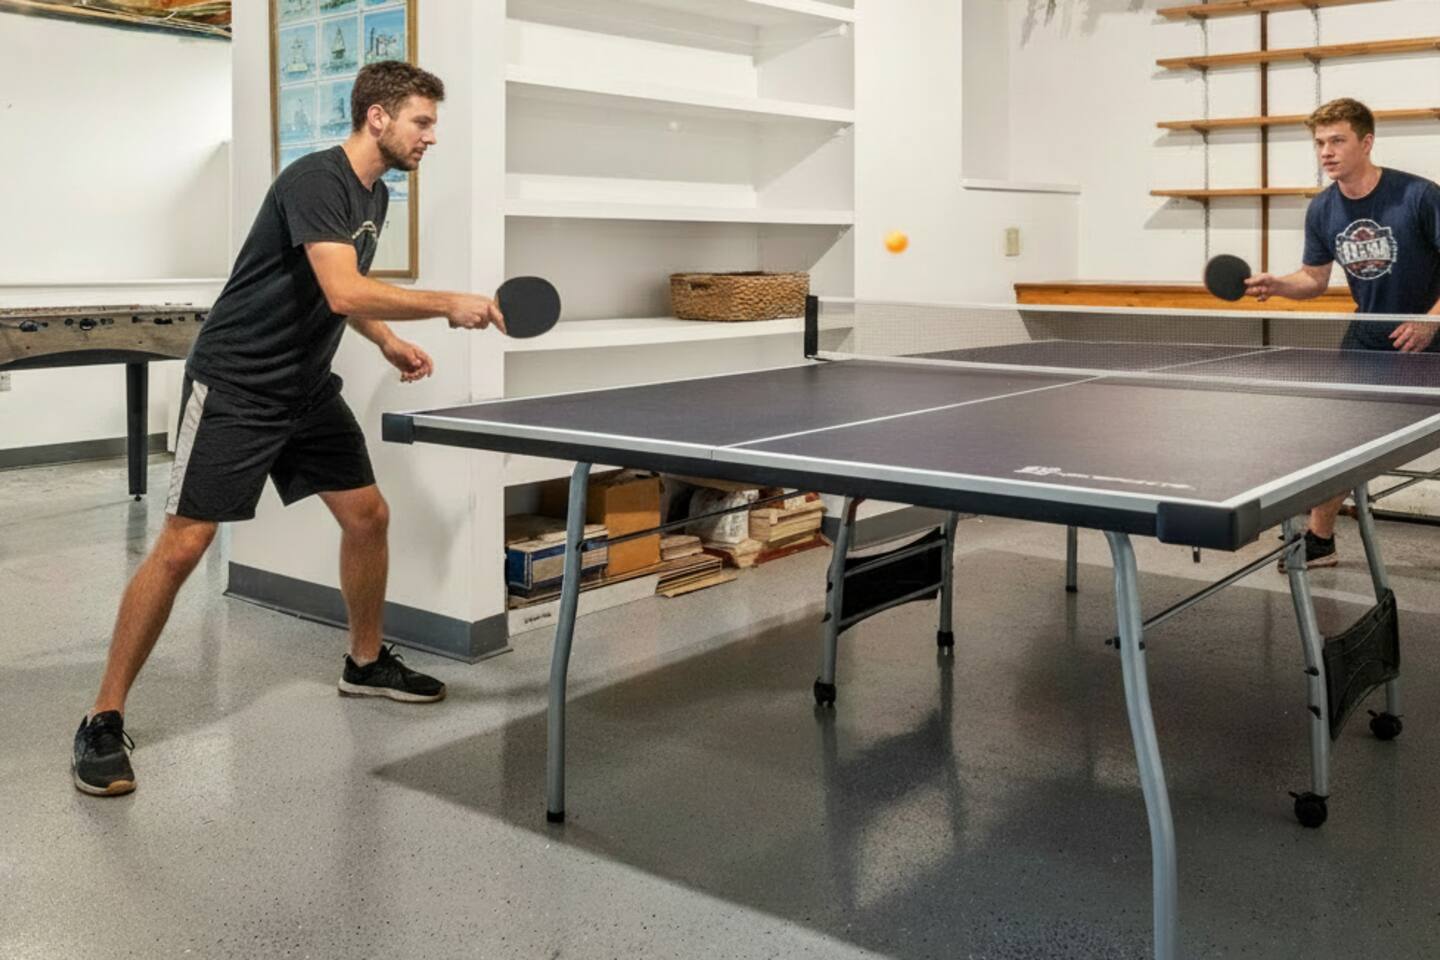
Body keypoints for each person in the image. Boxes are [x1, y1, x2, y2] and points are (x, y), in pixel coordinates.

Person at [72, 61, 505, 796]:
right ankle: (102, 717)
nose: (430, 136)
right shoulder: (315, 179)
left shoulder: (375, 192)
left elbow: (338, 292)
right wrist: (445, 304)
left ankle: (364, 663)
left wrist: (385, 340)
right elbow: (343, 287)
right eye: (422, 122)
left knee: (367, 516)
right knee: (185, 544)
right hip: (237, 385)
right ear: (378, 117)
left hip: (305, 389)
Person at [1245, 97, 1440, 571]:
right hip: (1369, 335)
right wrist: (1279, 285)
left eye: (1337, 140)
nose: (1326, 152)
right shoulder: (1323, 209)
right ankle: (1320, 540)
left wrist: (1432, 319)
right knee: (1338, 438)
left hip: (1432, 333)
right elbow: (1313, 279)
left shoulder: (1418, 196)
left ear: (1366, 142)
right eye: (1319, 143)